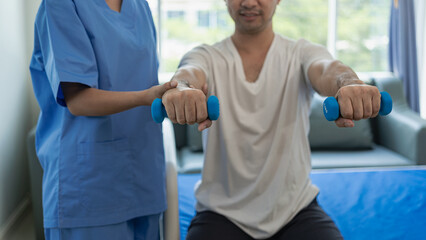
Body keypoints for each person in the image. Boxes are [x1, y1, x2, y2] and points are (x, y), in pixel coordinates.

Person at [162, 0, 382, 239]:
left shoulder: (301, 52)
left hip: (295, 210)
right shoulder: (206, 55)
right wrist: (183, 89)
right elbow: (189, 71)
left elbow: (328, 68)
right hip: (221, 212)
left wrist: (348, 83)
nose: (248, 2)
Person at [29, 0, 177, 239]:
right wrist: (149, 96)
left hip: (144, 173)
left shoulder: (139, 5)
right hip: (89, 181)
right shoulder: (61, 5)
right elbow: (78, 100)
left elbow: (145, 80)